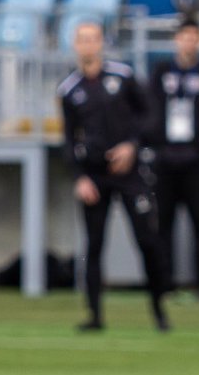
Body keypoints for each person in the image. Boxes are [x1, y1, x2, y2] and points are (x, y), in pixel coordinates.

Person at [58, 21, 168, 333]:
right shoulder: (69, 90)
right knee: (94, 246)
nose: (88, 45)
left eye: (93, 39)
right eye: (82, 39)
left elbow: (150, 116)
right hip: (95, 176)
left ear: (101, 43)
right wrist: (80, 177)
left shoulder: (123, 76)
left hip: (130, 173)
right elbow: (68, 138)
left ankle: (159, 311)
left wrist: (131, 146)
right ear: (75, 45)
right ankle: (94, 316)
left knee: (146, 240)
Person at [148, 16, 199, 298]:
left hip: (195, 159)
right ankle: (163, 283)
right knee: (163, 221)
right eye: (185, 37)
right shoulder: (161, 72)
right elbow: (147, 109)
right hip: (165, 158)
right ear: (176, 40)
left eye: (194, 38)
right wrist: (156, 141)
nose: (189, 43)